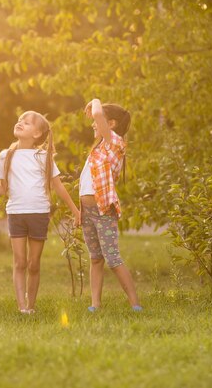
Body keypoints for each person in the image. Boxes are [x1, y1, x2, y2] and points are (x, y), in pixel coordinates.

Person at [0, 111, 80, 314]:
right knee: (19, 261)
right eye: (20, 120)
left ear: (37, 133)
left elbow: (58, 186)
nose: (20, 123)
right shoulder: (6, 155)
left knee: (34, 264)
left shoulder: (42, 156)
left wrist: (75, 210)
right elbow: (3, 190)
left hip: (38, 213)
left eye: (27, 123)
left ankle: (31, 305)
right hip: (16, 213)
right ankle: (23, 308)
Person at [79, 99, 142, 312]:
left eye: (99, 122)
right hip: (88, 211)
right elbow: (86, 184)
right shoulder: (97, 150)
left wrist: (95, 101)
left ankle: (135, 303)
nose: (94, 124)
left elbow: (97, 114)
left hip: (103, 210)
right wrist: (80, 211)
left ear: (111, 124)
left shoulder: (114, 143)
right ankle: (95, 304)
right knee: (95, 258)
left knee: (113, 259)